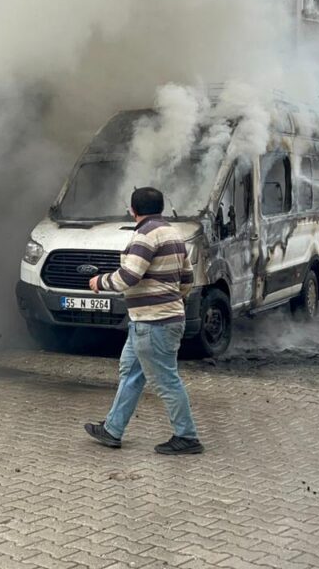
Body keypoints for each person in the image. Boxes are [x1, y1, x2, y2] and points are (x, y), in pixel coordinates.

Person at [84, 186, 202, 456]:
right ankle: (112, 430)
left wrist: (99, 282)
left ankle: (187, 437)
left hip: (153, 323)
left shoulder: (144, 235)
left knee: (166, 380)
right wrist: (171, 300)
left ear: (132, 210)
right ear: (160, 208)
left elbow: (130, 276)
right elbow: (187, 278)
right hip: (153, 320)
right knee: (131, 374)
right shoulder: (174, 233)